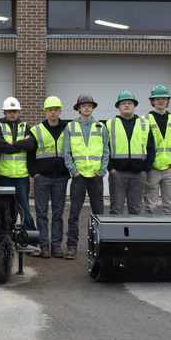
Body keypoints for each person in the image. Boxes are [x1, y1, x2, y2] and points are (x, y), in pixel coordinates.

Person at [63, 94, 109, 260]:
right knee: (74, 213)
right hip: (79, 176)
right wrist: (73, 170)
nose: (87, 108)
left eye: (89, 105)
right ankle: (71, 246)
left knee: (99, 215)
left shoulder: (101, 127)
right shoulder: (71, 127)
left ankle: (99, 247)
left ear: (93, 108)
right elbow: (66, 152)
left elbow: (106, 151)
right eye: (83, 105)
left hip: (96, 177)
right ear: (78, 108)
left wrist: (102, 171)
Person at [27, 96, 71, 258]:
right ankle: (44, 245)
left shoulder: (68, 129)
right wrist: (35, 173)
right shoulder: (36, 129)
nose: (53, 112)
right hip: (42, 177)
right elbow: (30, 155)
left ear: (60, 111)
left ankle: (57, 246)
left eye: (56, 109)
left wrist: (68, 173)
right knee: (41, 213)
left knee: (58, 213)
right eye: (50, 109)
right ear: (45, 111)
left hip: (61, 177)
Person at [107, 90, 155, 215]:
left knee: (135, 210)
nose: (127, 105)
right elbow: (104, 149)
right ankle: (115, 235)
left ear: (134, 106)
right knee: (116, 210)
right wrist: (111, 169)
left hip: (138, 174)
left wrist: (146, 170)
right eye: (123, 103)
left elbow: (151, 148)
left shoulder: (144, 124)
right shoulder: (109, 124)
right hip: (117, 174)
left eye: (130, 103)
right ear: (118, 106)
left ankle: (134, 235)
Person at [0, 97, 36, 236]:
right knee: (3, 209)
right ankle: (4, 236)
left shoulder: (27, 127)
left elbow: (30, 145)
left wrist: (12, 144)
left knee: (25, 209)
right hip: (3, 175)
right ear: (4, 112)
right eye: (9, 111)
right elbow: (1, 146)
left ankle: (29, 237)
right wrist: (20, 145)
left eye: (15, 111)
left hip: (21, 176)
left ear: (19, 112)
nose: (12, 114)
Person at [143, 84, 171, 214]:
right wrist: (147, 165)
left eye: (163, 98)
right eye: (157, 98)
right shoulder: (144, 120)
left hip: (170, 169)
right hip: (152, 169)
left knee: (170, 208)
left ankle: (170, 233)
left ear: (167, 101)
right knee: (149, 207)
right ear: (152, 101)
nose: (160, 101)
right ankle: (148, 233)